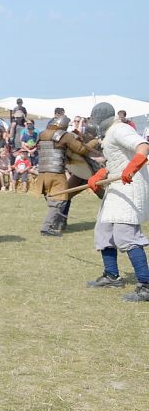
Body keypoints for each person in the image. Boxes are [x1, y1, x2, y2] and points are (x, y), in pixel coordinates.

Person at [84, 103, 149, 301]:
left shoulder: (120, 129)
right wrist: (101, 174)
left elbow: (143, 146)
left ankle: (146, 286)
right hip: (116, 187)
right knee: (103, 231)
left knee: (126, 235)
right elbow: (116, 162)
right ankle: (111, 275)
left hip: (130, 187)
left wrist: (133, 166)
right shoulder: (110, 132)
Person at [36, 116, 97, 236]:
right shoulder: (64, 136)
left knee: (53, 200)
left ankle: (57, 223)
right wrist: (95, 142)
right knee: (60, 201)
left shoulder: (42, 134)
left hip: (42, 173)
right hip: (56, 174)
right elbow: (81, 149)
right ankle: (47, 227)